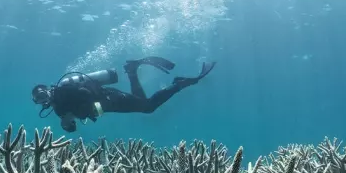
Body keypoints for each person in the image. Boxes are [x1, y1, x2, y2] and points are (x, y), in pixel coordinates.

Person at [31, 57, 216, 133]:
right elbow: (72, 128)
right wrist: (68, 123)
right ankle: (132, 70)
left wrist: (81, 109)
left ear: (47, 89)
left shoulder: (63, 90)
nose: (43, 100)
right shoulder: (58, 109)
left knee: (148, 107)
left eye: (41, 95)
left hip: (110, 100)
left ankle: (179, 84)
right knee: (144, 104)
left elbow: (84, 92)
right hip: (108, 105)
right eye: (38, 99)